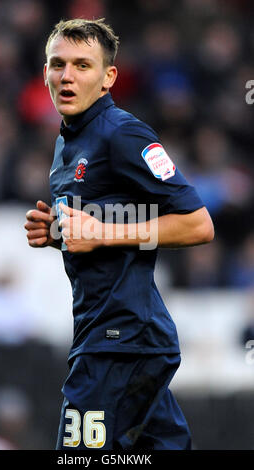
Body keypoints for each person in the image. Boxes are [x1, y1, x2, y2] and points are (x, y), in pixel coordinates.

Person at [24, 18, 214, 450]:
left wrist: (102, 232)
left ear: (108, 77)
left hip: (120, 342)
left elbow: (198, 224)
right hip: (119, 339)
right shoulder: (67, 144)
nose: (67, 75)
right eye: (58, 64)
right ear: (45, 73)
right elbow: (102, 228)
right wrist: (60, 235)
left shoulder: (122, 132)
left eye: (82, 65)